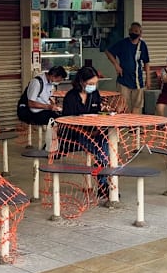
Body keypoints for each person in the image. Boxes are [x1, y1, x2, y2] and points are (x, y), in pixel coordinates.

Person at [60, 66, 111, 198]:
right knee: (103, 152)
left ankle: (102, 176)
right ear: (82, 81)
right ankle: (103, 182)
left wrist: (105, 112)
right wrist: (87, 131)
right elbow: (67, 121)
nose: (93, 86)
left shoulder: (94, 94)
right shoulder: (71, 97)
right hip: (75, 134)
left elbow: (97, 113)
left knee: (105, 141)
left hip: (94, 131)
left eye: (95, 83)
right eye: (90, 83)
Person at [105, 22, 150, 114]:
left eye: (136, 31)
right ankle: (124, 122)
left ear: (140, 33)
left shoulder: (142, 45)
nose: (133, 32)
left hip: (138, 81)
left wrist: (148, 78)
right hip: (123, 80)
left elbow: (146, 62)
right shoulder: (123, 43)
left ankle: (135, 122)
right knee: (123, 105)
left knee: (137, 106)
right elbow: (108, 52)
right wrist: (116, 65)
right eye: (132, 30)